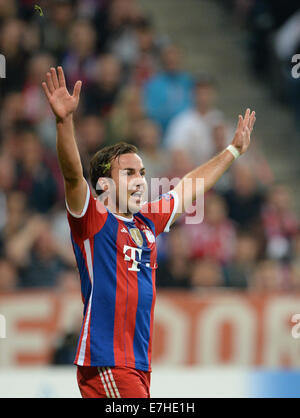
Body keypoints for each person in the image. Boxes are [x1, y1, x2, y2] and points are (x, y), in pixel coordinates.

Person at [42, 66, 256, 398]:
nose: (140, 179)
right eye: (128, 173)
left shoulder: (147, 221)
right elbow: (72, 176)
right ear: (104, 185)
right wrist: (64, 122)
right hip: (107, 361)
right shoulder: (93, 220)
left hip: (137, 364)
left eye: (142, 172)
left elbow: (189, 187)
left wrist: (233, 151)